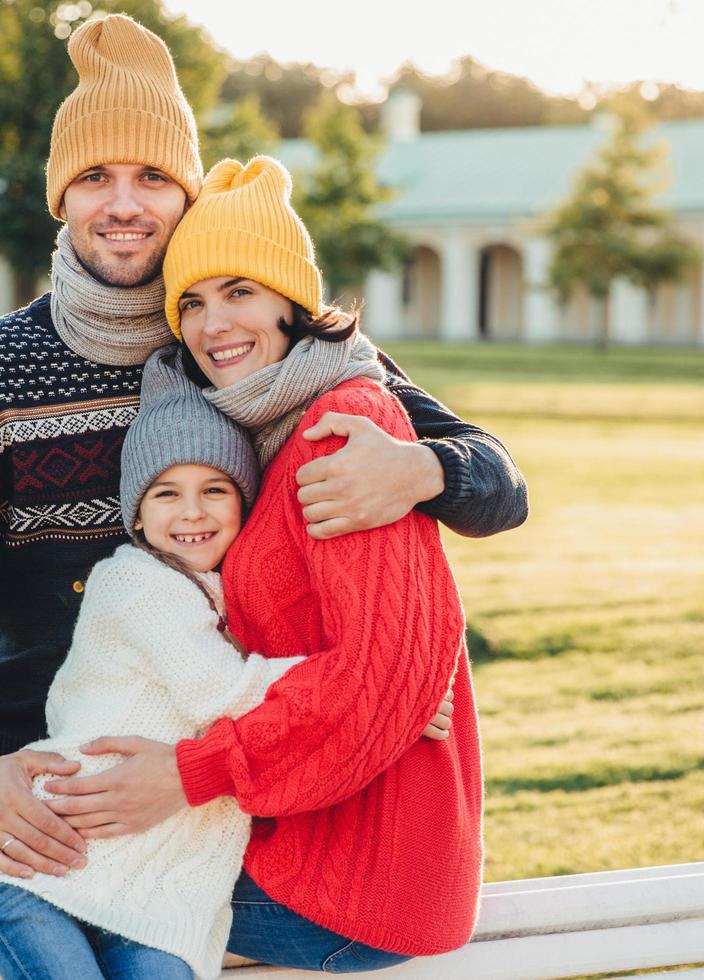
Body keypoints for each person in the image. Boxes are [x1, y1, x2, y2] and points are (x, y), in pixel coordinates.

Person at [0, 13, 524, 941]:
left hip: (212, 772)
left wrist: (422, 467)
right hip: (30, 774)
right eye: (95, 177)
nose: (124, 203)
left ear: (186, 194)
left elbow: (498, 481)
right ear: (60, 198)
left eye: (153, 177)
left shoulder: (251, 345)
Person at [43, 155, 483, 971]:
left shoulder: (341, 424)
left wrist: (188, 773)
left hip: (355, 880)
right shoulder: (260, 433)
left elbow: (375, 668)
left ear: (291, 305)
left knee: (25, 874)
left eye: (239, 291)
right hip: (324, 831)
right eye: (192, 303)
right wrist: (381, 690)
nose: (213, 326)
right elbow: (364, 664)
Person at [0, 349, 301, 979]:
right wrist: (372, 688)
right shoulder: (135, 582)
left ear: (244, 503)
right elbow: (223, 694)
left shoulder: (235, 596)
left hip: (158, 889)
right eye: (166, 493)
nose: (191, 511)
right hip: (38, 865)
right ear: (137, 514)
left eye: (214, 490)